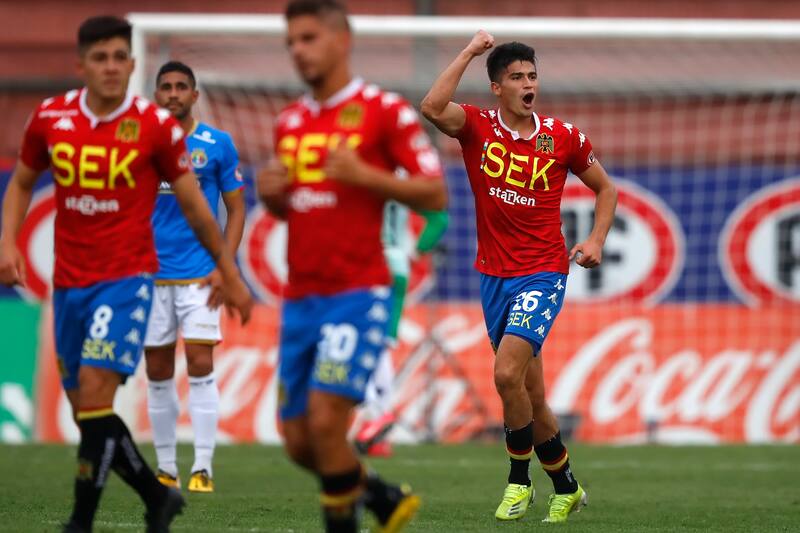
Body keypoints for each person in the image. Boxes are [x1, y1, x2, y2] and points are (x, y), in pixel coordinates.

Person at [0, 16, 252, 533]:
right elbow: (23, 181)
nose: (111, 67)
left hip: (130, 278)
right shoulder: (50, 117)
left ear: (132, 65)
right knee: (86, 412)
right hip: (70, 281)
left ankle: (83, 519)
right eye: (100, 58)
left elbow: (201, 209)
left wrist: (228, 269)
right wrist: (7, 241)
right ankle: (157, 496)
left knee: (98, 394)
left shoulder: (156, 128)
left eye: (120, 57)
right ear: (81, 65)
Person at [258, 1, 447, 531]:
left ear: (342, 40)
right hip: (300, 298)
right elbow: (295, 207)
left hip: (356, 292)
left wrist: (367, 176)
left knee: (325, 425)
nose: (298, 50)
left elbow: (435, 192)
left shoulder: (383, 110)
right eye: (291, 41)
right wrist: (274, 198)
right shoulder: (289, 121)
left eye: (309, 38)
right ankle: (382, 498)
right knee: (297, 441)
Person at [421, 31, 617, 523]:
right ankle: (567, 487)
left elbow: (606, 189)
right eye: (516, 77)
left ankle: (517, 483)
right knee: (531, 396)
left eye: (533, 76)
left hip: (544, 272)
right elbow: (430, 106)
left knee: (506, 372)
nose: (528, 84)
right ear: (497, 87)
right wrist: (468, 51)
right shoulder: (477, 127)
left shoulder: (563, 135)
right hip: (493, 275)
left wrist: (595, 240)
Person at [144, 60, 246, 494]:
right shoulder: (141, 143)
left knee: (201, 364)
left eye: (180, 86)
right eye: (165, 87)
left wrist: (226, 266)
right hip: (148, 277)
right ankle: (166, 466)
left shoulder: (216, 144)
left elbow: (237, 208)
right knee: (158, 370)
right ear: (156, 94)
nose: (173, 93)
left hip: (200, 274)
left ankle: (202, 466)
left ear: (194, 94)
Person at [355, 203, 449, 457]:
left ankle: (377, 414)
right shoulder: (401, 184)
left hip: (370, 264)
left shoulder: (365, 179)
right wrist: (418, 250)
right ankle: (378, 437)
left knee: (357, 342)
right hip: (398, 266)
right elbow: (439, 219)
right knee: (383, 342)